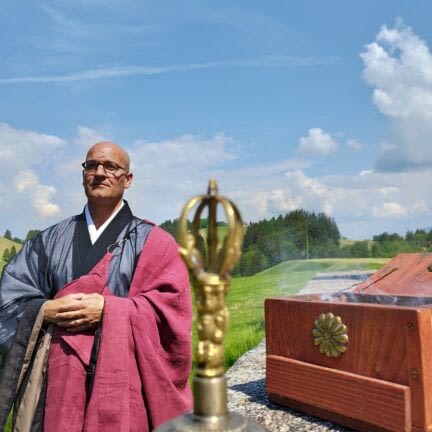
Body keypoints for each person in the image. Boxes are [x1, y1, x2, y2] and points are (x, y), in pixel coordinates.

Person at [0, 142, 193, 431]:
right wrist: (45, 310)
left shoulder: (156, 243)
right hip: (57, 385)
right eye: (92, 165)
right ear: (83, 175)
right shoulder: (48, 241)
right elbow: (9, 300)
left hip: (123, 386)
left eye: (110, 167)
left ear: (128, 180)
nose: (100, 173)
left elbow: (172, 313)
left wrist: (110, 310)